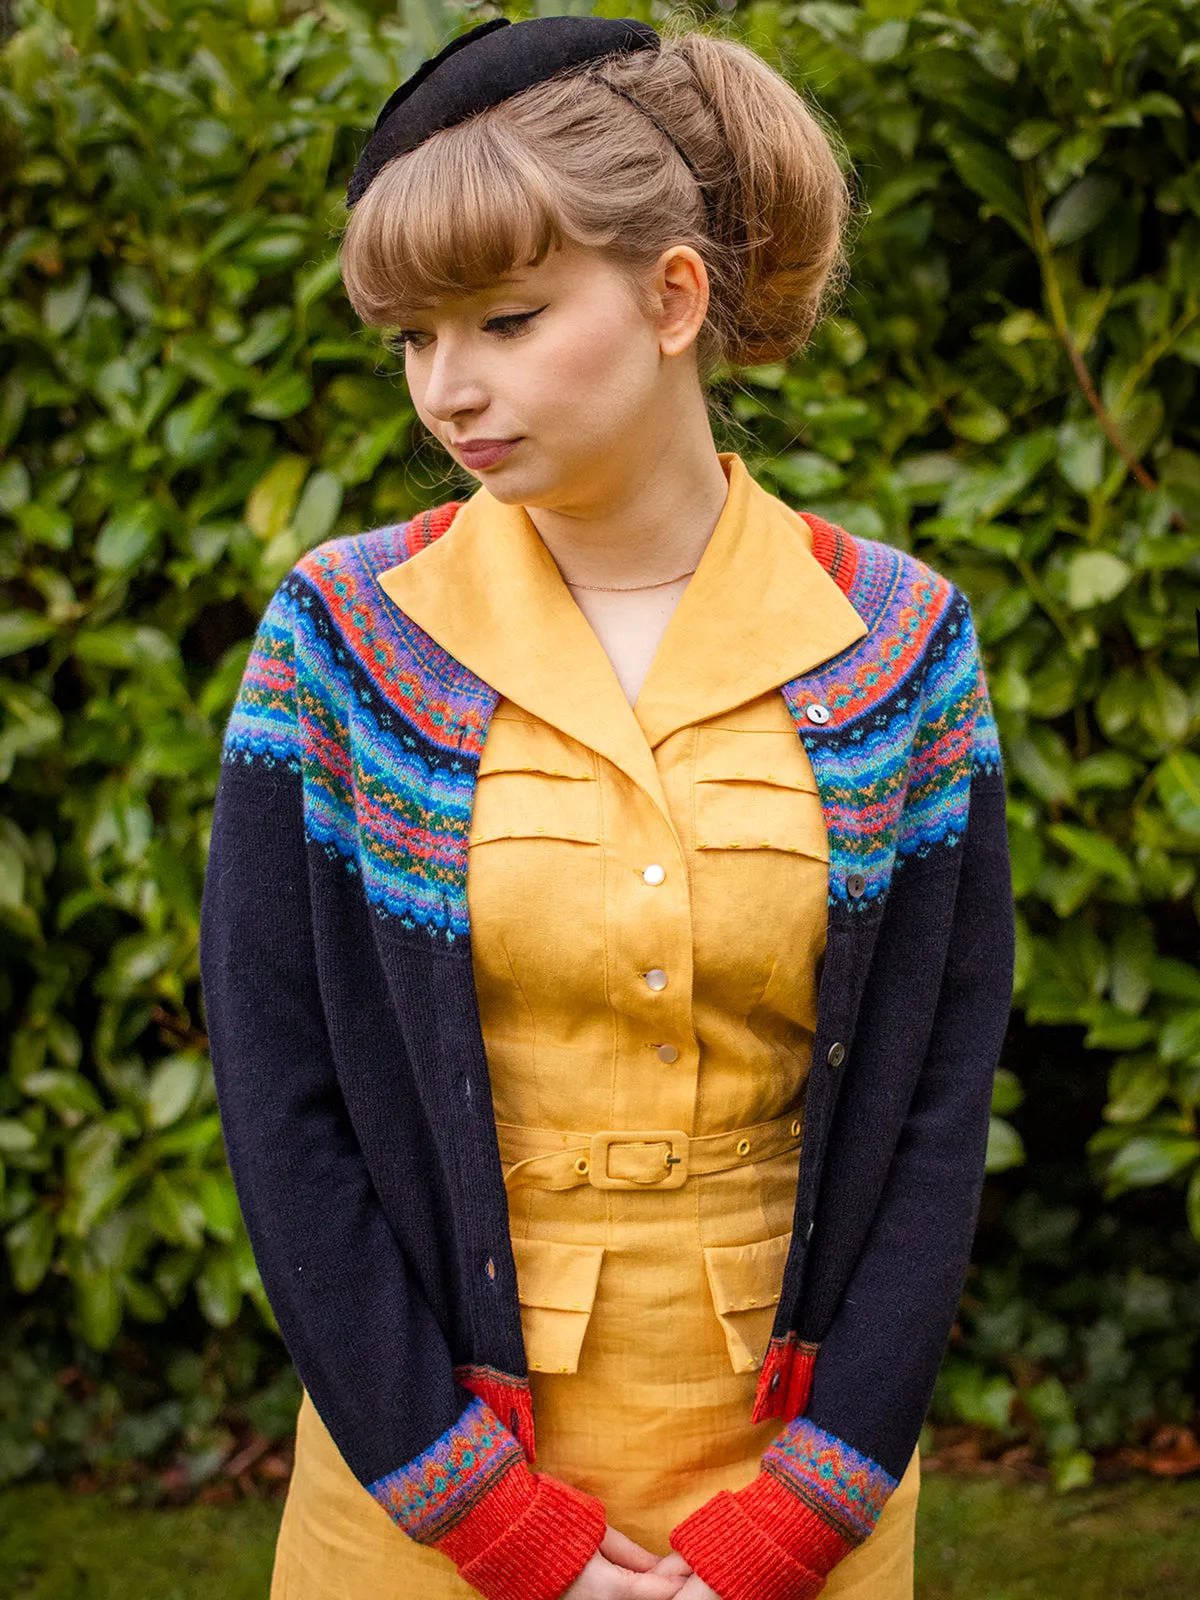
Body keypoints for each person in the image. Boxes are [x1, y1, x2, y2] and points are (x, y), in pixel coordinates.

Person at [198, 15, 1016, 1600]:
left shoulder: (899, 649)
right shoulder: (347, 639)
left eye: (504, 318)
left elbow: (935, 1104)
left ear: (673, 297)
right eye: (413, 339)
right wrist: (490, 1521)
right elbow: (282, 1096)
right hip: (420, 1477)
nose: (449, 388)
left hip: (794, 1470)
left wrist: (805, 1512)